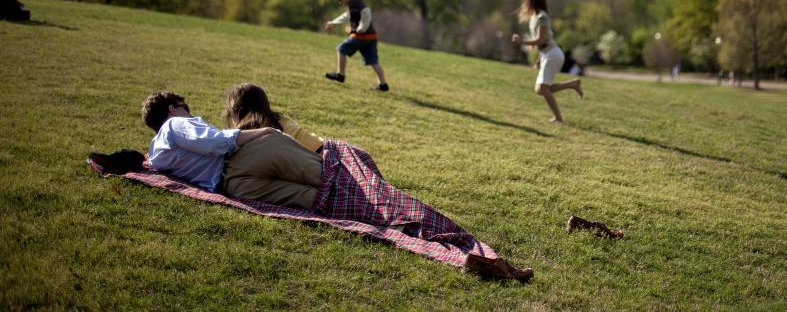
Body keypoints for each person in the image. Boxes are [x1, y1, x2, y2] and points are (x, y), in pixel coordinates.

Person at [141, 89, 532, 280]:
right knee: (354, 191)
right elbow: (217, 141)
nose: (191, 114)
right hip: (250, 155)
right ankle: (452, 238)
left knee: (326, 204)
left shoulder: (156, 157)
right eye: (186, 109)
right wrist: (254, 134)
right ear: (174, 109)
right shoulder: (176, 124)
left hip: (237, 188)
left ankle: (457, 253)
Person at [511, 0, 582, 123]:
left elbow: (541, 39)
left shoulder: (542, 17)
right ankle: (573, 84)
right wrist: (538, 59)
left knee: (542, 89)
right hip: (547, 54)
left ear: (532, 0)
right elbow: (541, 43)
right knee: (541, 89)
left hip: (553, 55)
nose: (524, 3)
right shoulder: (535, 17)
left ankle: (559, 118)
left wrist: (522, 41)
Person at [322, 0, 389, 92]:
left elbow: (364, 22)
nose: (340, 1)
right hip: (371, 38)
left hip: (361, 37)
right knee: (373, 61)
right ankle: (383, 85)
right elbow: (347, 16)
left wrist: (354, 31)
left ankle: (340, 75)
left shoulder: (361, 6)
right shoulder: (353, 4)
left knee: (341, 49)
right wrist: (333, 22)